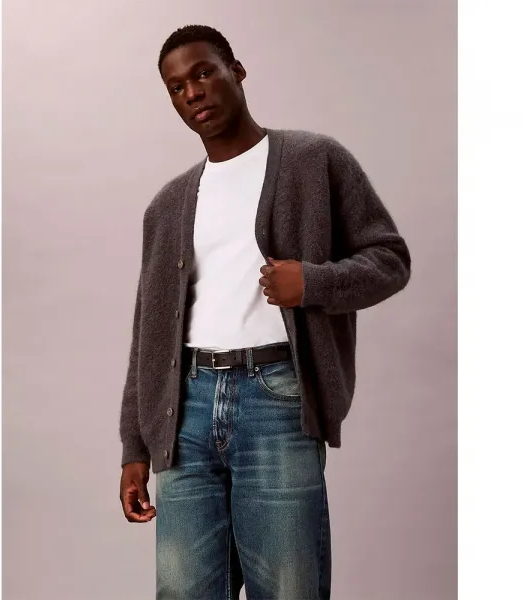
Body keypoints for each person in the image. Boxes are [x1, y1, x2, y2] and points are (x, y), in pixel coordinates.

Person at [118, 24, 411, 600]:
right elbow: (147, 333)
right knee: (184, 591)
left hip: (275, 400)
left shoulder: (314, 160)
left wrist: (313, 283)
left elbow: (390, 260)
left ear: (237, 71)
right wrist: (134, 446)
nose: (193, 92)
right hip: (183, 411)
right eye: (176, 87)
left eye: (204, 73)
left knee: (289, 588)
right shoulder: (167, 205)